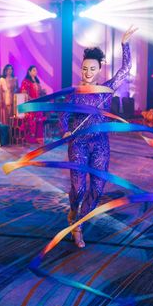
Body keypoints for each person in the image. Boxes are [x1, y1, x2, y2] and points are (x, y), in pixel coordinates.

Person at [60, 26, 137, 248]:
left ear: (99, 69)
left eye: (92, 68)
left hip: (101, 145)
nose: (87, 72)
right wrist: (66, 129)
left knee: (97, 189)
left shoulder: (106, 89)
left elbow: (126, 68)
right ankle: (75, 213)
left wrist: (125, 44)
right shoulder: (74, 92)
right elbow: (64, 114)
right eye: (84, 68)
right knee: (79, 189)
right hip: (78, 143)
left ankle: (78, 224)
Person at [21, 65, 46, 143]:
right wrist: (32, 99)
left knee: (39, 120)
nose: (36, 72)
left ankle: (39, 138)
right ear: (29, 71)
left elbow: (39, 92)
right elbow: (24, 94)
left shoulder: (37, 81)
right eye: (34, 70)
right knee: (32, 121)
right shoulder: (25, 82)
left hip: (38, 104)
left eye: (36, 70)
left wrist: (43, 92)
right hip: (31, 105)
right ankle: (31, 139)